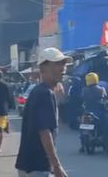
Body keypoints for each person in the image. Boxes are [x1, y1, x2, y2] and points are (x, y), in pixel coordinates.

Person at [16, 47, 72, 177]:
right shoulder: (44, 93)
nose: (63, 67)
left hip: (30, 165)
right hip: (37, 167)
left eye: (64, 63)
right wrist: (57, 166)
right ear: (43, 69)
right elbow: (44, 132)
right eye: (57, 63)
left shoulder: (40, 91)